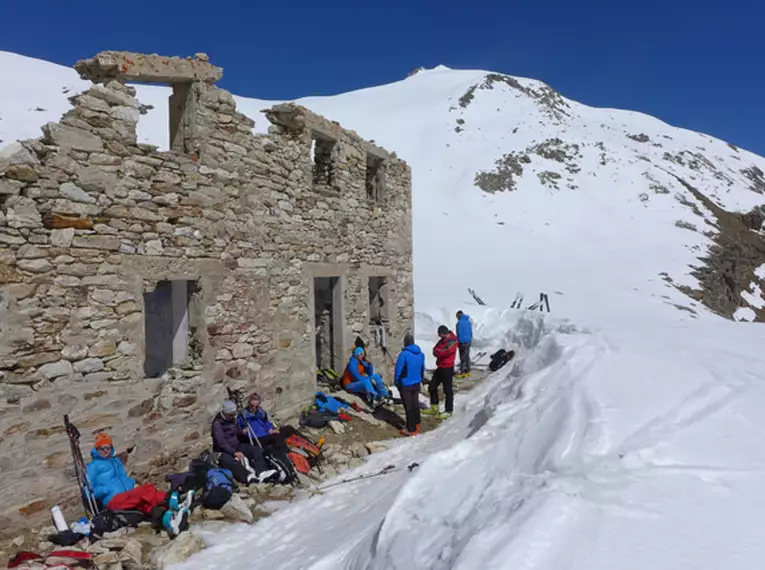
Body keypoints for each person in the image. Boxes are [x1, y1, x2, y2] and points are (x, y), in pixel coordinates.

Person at [86, 433, 190, 537]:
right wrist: (107, 489)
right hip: (113, 501)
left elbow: (124, 478)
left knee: (147, 505)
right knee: (145, 490)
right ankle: (173, 500)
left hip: (127, 497)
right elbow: (90, 492)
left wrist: (131, 483)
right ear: (97, 449)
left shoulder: (115, 461)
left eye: (108, 448)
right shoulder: (93, 466)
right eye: (102, 448)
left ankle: (170, 520)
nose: (105, 451)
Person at [211, 400, 276, 484]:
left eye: (234, 414)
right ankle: (248, 477)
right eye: (231, 414)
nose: (233, 416)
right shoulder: (217, 424)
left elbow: (236, 431)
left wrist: (242, 432)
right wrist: (234, 452)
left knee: (256, 450)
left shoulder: (232, 420)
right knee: (230, 461)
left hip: (236, 445)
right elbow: (221, 442)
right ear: (225, 413)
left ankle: (261, 472)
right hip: (223, 451)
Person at [394, 333, 425, 436]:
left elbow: (398, 370)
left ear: (405, 343)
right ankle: (417, 425)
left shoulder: (404, 355)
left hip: (406, 384)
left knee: (409, 406)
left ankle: (410, 429)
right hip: (416, 383)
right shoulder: (421, 354)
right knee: (415, 404)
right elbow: (422, 368)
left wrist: (396, 382)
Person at [423, 325, 457, 419]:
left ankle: (449, 410)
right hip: (440, 367)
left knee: (448, 390)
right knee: (432, 386)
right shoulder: (442, 340)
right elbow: (436, 349)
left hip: (448, 368)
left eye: (440, 334)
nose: (439, 336)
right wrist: (438, 351)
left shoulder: (452, 341)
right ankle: (434, 407)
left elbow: (445, 352)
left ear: (443, 333)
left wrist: (438, 352)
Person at [455, 310, 473, 378]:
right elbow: (470, 332)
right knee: (467, 356)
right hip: (468, 341)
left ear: (459, 316)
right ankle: (468, 370)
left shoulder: (459, 323)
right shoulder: (468, 322)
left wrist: (458, 341)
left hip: (462, 342)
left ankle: (462, 372)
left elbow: (458, 333)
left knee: (462, 357)